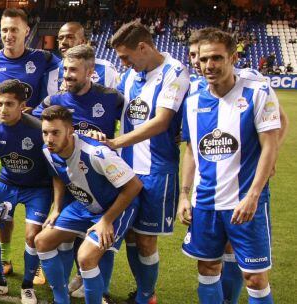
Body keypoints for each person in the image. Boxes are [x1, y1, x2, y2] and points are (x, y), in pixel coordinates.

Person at [178, 29, 280, 304]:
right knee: (208, 267)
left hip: (245, 202)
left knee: (255, 277)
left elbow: (270, 144)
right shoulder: (192, 102)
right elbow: (191, 151)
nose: (208, 65)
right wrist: (185, 195)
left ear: (233, 57)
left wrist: (254, 195)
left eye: (217, 58)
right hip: (206, 202)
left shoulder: (258, 92)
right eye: (203, 59)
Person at [93, 21, 191, 304]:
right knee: (133, 237)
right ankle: (144, 292)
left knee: (147, 238)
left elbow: (161, 122)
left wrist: (116, 143)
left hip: (157, 171)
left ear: (144, 47)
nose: (123, 63)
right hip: (126, 172)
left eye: (126, 56)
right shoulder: (129, 77)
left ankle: (147, 296)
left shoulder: (174, 72)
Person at [0, 8, 60, 280]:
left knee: (37, 212)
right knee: (4, 211)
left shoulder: (44, 59)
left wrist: (35, 114)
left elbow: (57, 93)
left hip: (35, 139)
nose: (9, 35)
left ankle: (39, 265)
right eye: (4, 29)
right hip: (1, 144)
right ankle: (5, 259)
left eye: (14, 29)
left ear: (27, 31)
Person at [40, 44, 124, 301]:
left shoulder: (112, 98)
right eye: (65, 69)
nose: (66, 75)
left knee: (98, 247)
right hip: (72, 185)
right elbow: (33, 120)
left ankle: (102, 293)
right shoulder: (54, 100)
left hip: (104, 183)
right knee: (61, 240)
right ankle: (65, 290)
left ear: (90, 72)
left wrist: (109, 141)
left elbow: (134, 124)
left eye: (73, 70)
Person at [34, 105, 143, 304]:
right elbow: (57, 176)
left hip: (116, 208)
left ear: (70, 131)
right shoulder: (48, 150)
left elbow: (134, 186)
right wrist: (57, 207)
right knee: (42, 241)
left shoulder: (96, 152)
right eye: (45, 132)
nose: (49, 139)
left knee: (86, 257)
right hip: (84, 204)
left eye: (55, 133)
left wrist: (107, 220)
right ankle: (61, 300)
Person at [0, 79, 59, 303]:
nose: (2, 109)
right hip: (7, 185)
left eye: (9, 104)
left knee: (32, 236)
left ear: (23, 105)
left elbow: (56, 167)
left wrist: (56, 204)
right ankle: (0, 283)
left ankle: (27, 286)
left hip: (38, 189)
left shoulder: (38, 130)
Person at [45, 22, 120, 97]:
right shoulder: (51, 74)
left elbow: (118, 103)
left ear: (83, 41)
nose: (63, 42)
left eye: (70, 37)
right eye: (60, 38)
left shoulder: (106, 69)